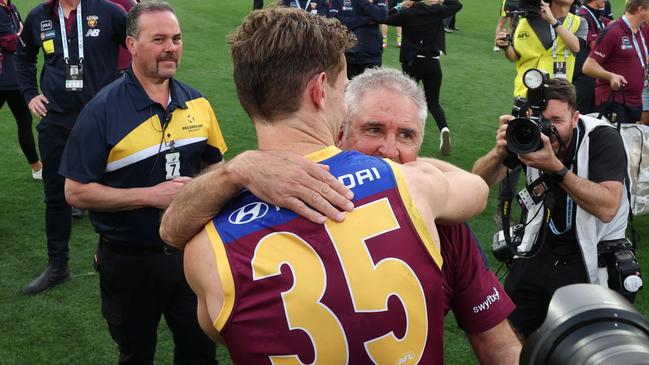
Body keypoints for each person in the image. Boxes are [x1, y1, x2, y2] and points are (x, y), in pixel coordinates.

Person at [177, 7, 489, 363]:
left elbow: (226, 333)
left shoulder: (205, 249)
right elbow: (476, 190)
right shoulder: (412, 184)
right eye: (344, 87)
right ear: (320, 91)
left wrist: (235, 171)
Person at [59, 2, 226, 363]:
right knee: (136, 354)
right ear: (132, 45)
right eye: (160, 39)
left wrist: (199, 191)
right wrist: (150, 196)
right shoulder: (101, 110)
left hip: (191, 256)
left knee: (199, 351)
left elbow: (216, 166)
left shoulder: (198, 102)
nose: (172, 47)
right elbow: (75, 191)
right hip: (129, 262)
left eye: (177, 38)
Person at [472, 78, 629, 338]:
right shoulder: (528, 135)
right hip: (539, 248)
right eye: (540, 120)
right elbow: (477, 184)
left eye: (556, 120)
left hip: (588, 255)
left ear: (576, 118)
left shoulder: (601, 138)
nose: (546, 130)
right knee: (510, 334)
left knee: (577, 343)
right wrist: (500, 152)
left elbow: (608, 207)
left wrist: (556, 168)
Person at [16, 0, 127, 294]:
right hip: (55, 122)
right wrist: (29, 94)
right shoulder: (39, 15)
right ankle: (58, 265)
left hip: (100, 123)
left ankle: (113, 257)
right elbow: (23, 56)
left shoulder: (109, 12)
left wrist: (125, 94)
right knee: (55, 196)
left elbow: (137, 47)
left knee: (114, 191)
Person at [384, 0, 463, 156]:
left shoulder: (407, 14)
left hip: (411, 63)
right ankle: (444, 129)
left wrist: (400, 6)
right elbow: (457, 5)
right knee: (433, 103)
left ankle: (407, 136)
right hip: (432, 63)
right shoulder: (437, 11)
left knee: (409, 101)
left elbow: (385, 17)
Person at [495, 0, 586, 98]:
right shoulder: (525, 22)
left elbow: (576, 47)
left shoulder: (579, 22)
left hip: (559, 93)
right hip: (527, 90)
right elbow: (515, 57)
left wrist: (553, 21)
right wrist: (506, 47)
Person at [582, 0, 649, 123]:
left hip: (633, 101)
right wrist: (611, 76)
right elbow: (588, 66)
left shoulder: (638, 32)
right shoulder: (613, 31)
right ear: (641, 10)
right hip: (614, 102)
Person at [0, 0, 42, 179]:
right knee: (24, 120)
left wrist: (18, 34)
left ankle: (37, 168)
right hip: (5, 76)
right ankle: (37, 168)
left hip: (12, 76)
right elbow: (11, 42)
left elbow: (21, 35)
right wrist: (19, 34)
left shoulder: (10, 7)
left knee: (24, 120)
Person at [329, 0, 388, 79]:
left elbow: (382, 17)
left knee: (371, 88)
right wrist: (366, 20)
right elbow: (336, 23)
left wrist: (363, 2)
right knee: (347, 88)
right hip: (347, 54)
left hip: (371, 54)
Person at [573, 0, 611, 115]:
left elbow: (611, 23)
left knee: (595, 114)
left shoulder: (596, 14)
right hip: (583, 76)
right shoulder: (583, 15)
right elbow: (594, 45)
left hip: (593, 73)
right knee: (583, 114)